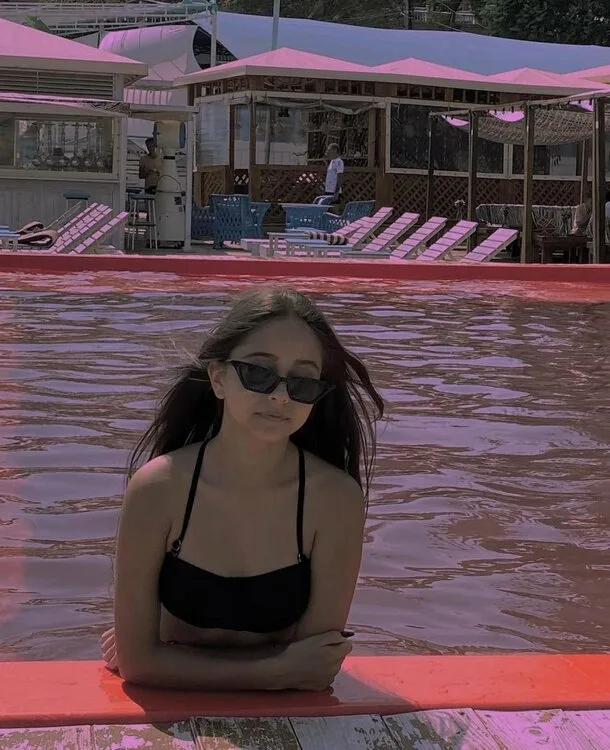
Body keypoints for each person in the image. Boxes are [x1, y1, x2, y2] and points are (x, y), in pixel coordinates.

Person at [101, 286, 384, 692]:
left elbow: (315, 669)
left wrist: (169, 659)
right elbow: (138, 664)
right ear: (218, 377)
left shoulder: (335, 500)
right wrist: (274, 670)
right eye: (258, 373)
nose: (280, 396)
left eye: (302, 381)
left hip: (282, 714)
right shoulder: (158, 489)